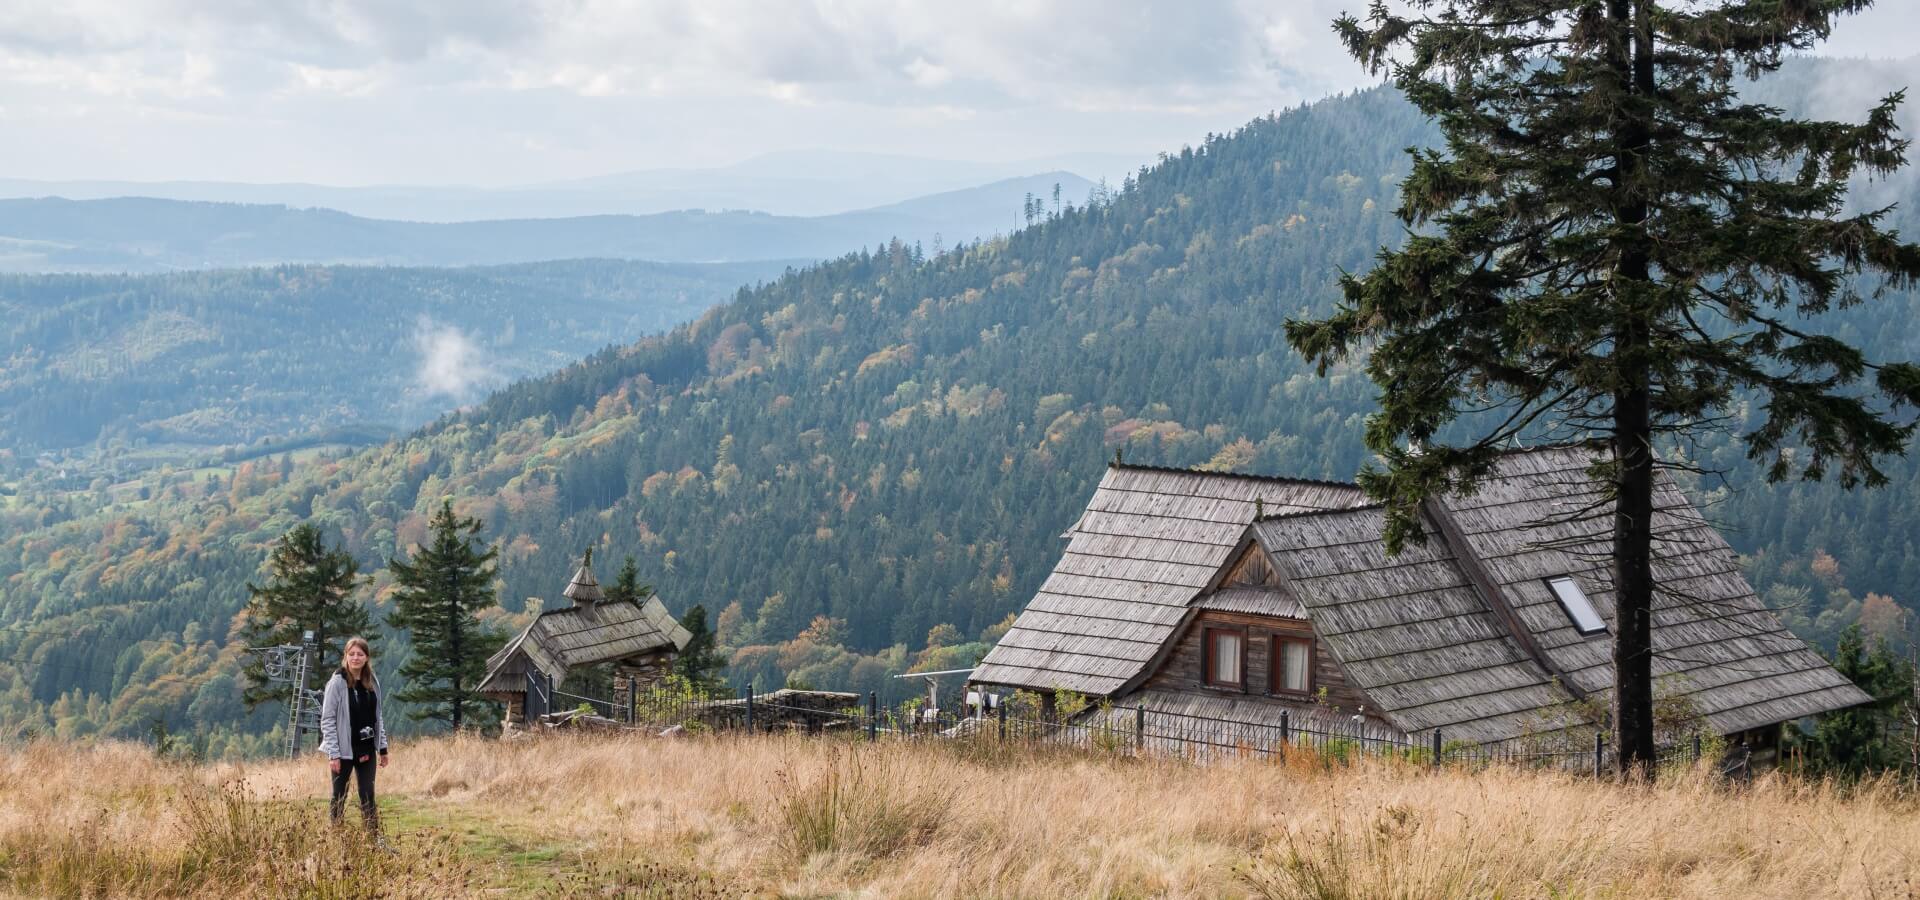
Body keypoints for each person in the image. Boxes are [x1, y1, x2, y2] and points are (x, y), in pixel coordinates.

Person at [319, 636, 389, 829]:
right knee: (339, 795)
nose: (356, 658)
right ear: (346, 656)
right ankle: (336, 837)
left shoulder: (372, 682)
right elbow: (327, 720)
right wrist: (333, 754)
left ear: (367, 657)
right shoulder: (337, 683)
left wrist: (383, 748)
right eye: (352, 654)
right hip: (343, 751)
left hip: (366, 748)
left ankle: (373, 840)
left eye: (360, 654)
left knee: (368, 795)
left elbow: (378, 717)